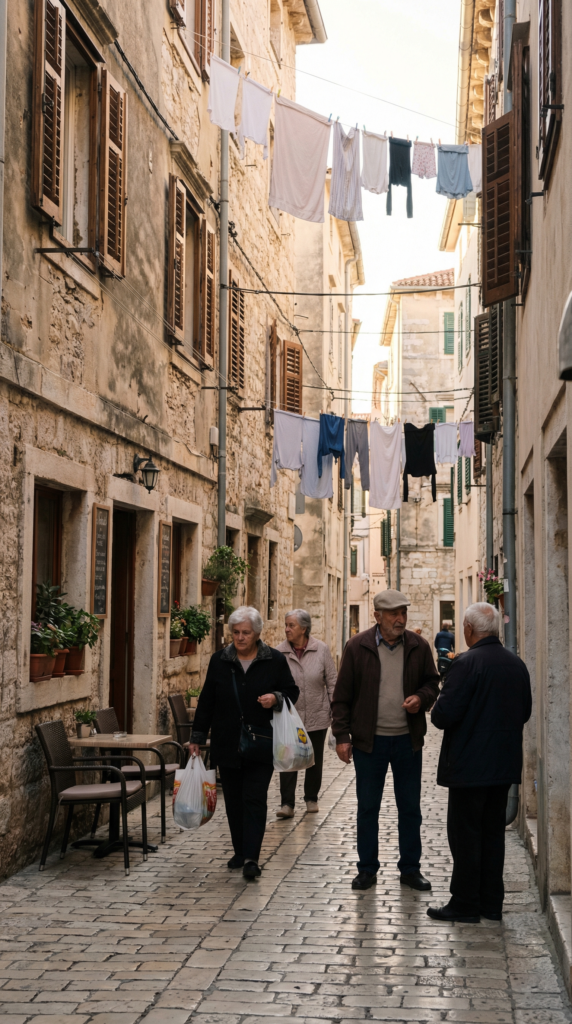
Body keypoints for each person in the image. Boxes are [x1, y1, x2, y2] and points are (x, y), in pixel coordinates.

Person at [428, 602, 532, 923]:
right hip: (502, 767)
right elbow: (524, 712)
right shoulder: (516, 664)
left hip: (469, 767)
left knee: (465, 835)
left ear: (470, 630)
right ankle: (491, 903)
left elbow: (443, 715)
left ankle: (465, 902)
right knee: (492, 834)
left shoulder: (465, 664)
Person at [332, 589, 440, 892]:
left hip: (408, 741)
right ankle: (366, 868)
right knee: (368, 807)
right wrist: (342, 736)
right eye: (394, 614)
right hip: (370, 743)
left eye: (403, 612)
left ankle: (410, 869)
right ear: (377, 616)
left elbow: (433, 683)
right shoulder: (357, 647)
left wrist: (421, 698)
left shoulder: (418, 646)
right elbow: (341, 698)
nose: (400, 619)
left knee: (410, 808)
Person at [190, 606, 299, 880]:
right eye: (236, 632)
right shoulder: (220, 660)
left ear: (257, 633)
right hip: (227, 742)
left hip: (261, 742)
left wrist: (275, 698)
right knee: (235, 801)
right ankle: (240, 851)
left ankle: (252, 857)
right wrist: (197, 737)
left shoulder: (273, 660)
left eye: (246, 633)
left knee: (254, 798)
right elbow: (207, 701)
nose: (240, 638)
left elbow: (292, 691)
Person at [275, 609, 338, 818]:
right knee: (288, 759)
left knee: (314, 759)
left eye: (291, 625)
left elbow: (332, 682)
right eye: (286, 625)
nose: (287, 629)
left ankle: (311, 798)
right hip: (289, 717)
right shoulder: (279, 653)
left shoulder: (321, 650)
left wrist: (335, 710)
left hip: (317, 714)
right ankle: (287, 804)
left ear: (304, 628)